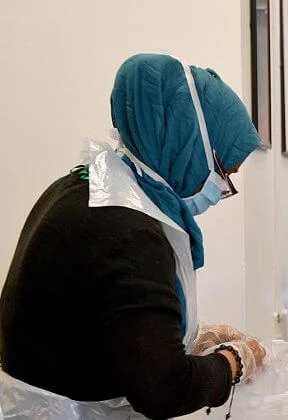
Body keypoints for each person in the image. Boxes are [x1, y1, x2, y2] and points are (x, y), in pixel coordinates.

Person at [0, 53, 265, 419]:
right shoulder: (128, 229)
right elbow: (164, 390)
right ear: (187, 144)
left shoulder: (80, 188)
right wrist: (235, 361)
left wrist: (185, 334)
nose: (221, 189)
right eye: (224, 172)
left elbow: (104, 310)